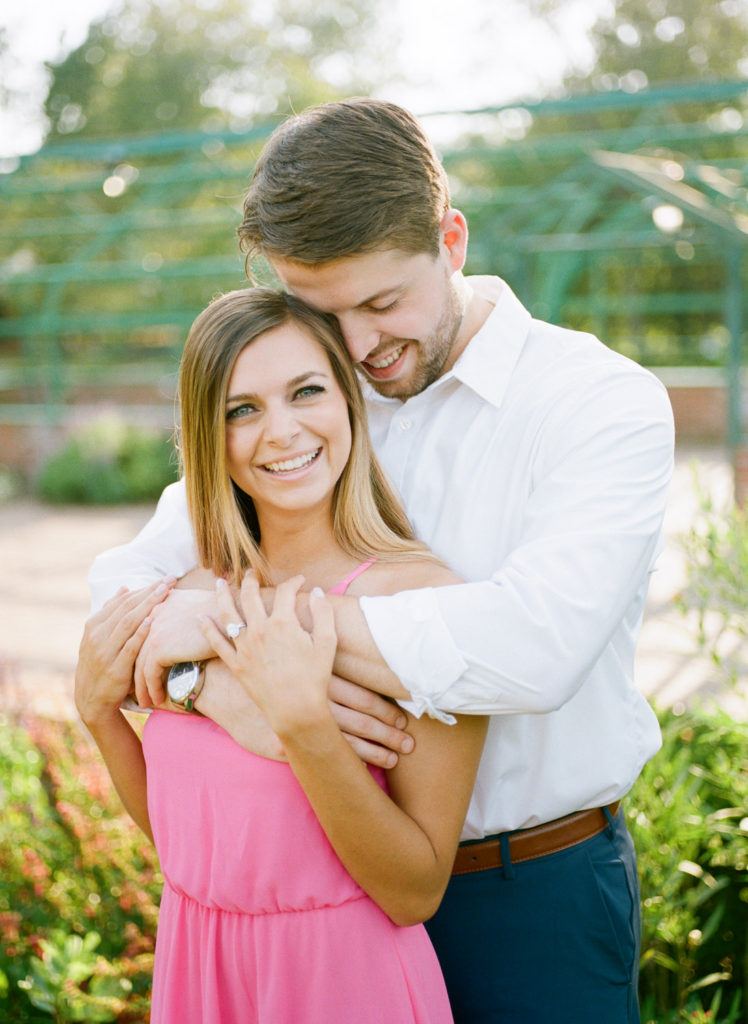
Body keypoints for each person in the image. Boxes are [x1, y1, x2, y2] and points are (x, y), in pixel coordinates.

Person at [88, 99, 675, 1023]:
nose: (360, 347)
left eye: (382, 302)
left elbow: (532, 649)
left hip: (533, 897)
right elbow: (123, 583)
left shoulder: (596, 402)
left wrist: (267, 647)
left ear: (451, 238)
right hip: (318, 910)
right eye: (323, 313)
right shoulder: (313, 401)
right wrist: (211, 683)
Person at [77, 287, 487, 1023]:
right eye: (242, 409)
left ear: (349, 402)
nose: (282, 432)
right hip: (199, 967)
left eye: (306, 392)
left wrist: (303, 728)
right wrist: (99, 717)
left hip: (341, 982)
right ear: (209, 434)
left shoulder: (422, 605)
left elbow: (415, 891)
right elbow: (189, 849)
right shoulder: (188, 594)